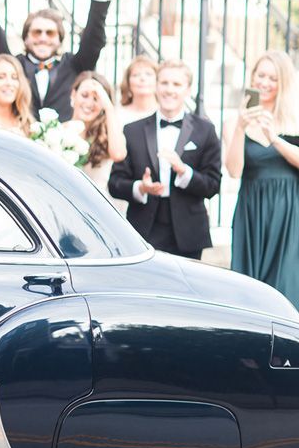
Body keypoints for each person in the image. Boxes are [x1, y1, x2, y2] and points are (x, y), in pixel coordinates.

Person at [108, 60, 222, 260]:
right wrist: (140, 188)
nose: (170, 90)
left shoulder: (205, 130)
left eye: (177, 84)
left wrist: (184, 172)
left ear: (187, 90)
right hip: (143, 230)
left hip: (189, 232)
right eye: (165, 83)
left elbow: (213, 185)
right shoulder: (132, 130)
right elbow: (115, 184)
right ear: (156, 86)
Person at [225, 51, 299, 307]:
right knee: (250, 290)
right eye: (261, 75)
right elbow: (234, 171)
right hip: (252, 210)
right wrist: (239, 128)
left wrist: (274, 137)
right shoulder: (234, 121)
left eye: (273, 78)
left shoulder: (294, 118)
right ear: (252, 76)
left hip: (290, 212)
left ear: (283, 82)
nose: (265, 83)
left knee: (288, 283)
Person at [65, 72, 127, 203]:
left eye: (96, 98)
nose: (89, 103)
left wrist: (109, 108)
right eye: (85, 95)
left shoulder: (107, 135)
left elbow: (118, 154)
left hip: (95, 207)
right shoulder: (57, 132)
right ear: (73, 95)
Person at [119, 55, 159, 125]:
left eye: (148, 74)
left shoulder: (166, 113)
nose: (142, 78)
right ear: (127, 82)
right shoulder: (118, 115)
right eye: (136, 75)